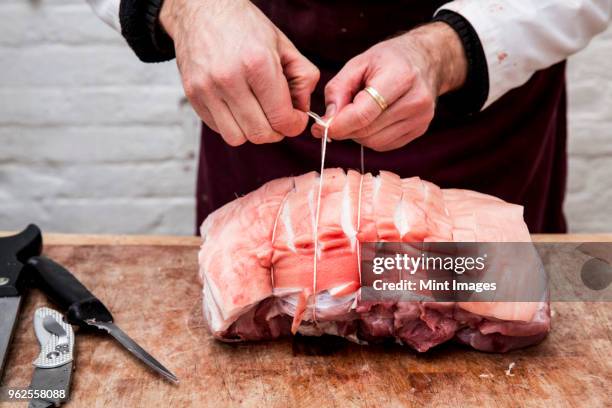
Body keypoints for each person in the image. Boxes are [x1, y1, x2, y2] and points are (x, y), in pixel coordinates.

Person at [87, 0, 611, 233]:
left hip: (479, 110)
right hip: (259, 89)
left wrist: (450, 51)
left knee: (486, 306)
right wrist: (188, 7)